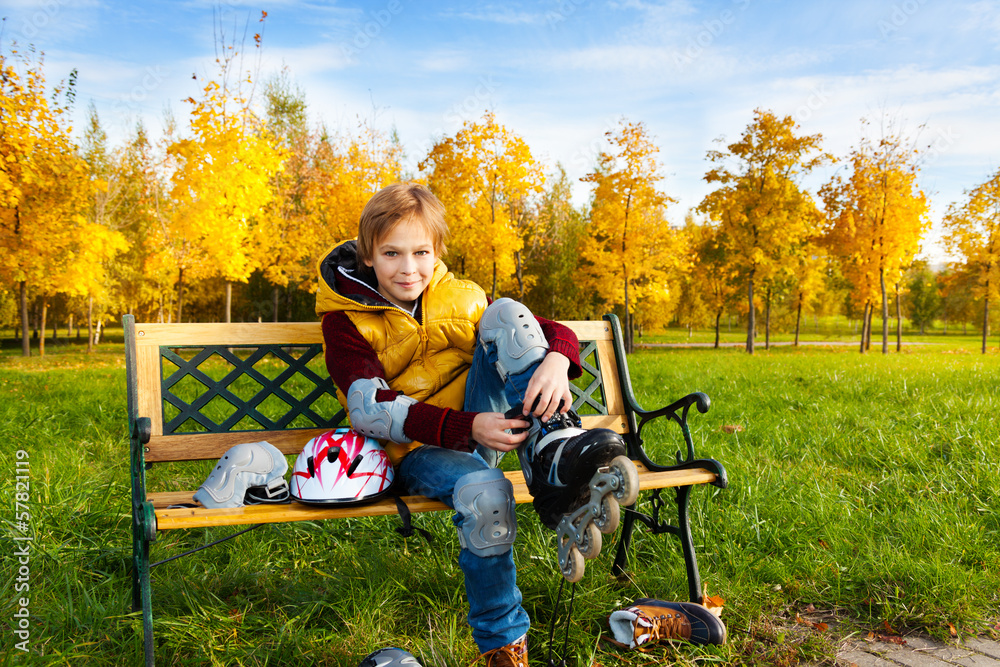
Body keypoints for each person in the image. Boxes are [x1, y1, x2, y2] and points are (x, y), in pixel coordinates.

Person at [316, 182, 583, 667]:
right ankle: (504, 648)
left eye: (421, 251)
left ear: (437, 251)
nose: (408, 267)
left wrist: (559, 361)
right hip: (414, 452)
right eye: (392, 253)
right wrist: (469, 427)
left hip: (486, 425)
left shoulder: (461, 297)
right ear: (368, 255)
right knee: (486, 491)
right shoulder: (344, 318)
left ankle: (554, 452)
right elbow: (369, 408)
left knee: (505, 313)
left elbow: (550, 330)